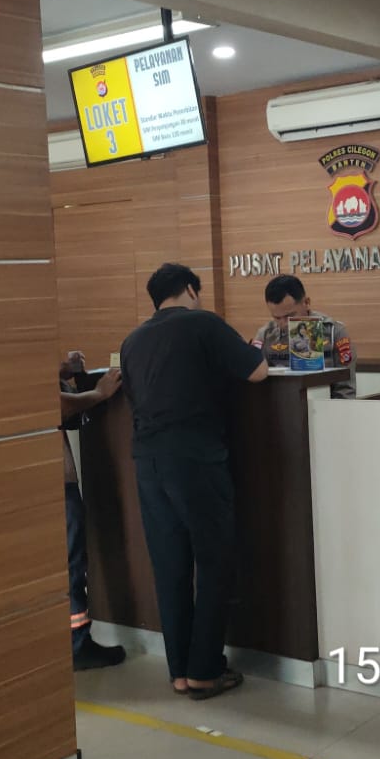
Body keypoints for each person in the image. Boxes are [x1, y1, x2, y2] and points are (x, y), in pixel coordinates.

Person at [120, 263, 267, 699]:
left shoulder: (132, 340)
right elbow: (258, 371)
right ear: (190, 289)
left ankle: (180, 671)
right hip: (194, 457)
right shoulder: (203, 323)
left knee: (170, 566)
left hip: (147, 460)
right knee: (215, 560)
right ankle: (205, 669)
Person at [59, 350, 127, 670]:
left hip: (49, 481)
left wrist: (63, 373)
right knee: (71, 562)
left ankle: (72, 641)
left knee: (70, 561)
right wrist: (98, 394)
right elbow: (55, 406)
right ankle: (77, 643)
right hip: (55, 482)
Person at [250, 275, 356, 398]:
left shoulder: (334, 332)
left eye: (289, 316)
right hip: (281, 404)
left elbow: (345, 388)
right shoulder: (265, 336)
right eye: (277, 318)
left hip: (325, 404)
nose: (284, 323)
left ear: (306, 303)